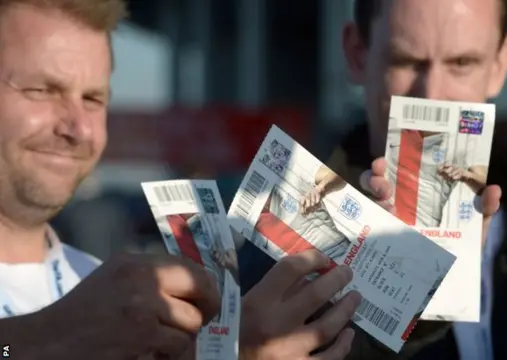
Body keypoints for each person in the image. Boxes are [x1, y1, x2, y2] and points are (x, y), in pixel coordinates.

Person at [239, 0, 507, 359]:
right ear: (358, 54)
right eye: (406, 61)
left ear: (500, 65)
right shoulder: (270, 277)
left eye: (461, 63)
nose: (432, 94)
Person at [0, 1, 362, 359]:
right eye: (41, 90)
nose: (78, 128)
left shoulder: (107, 291)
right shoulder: (100, 307)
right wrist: (43, 338)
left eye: (93, 99)